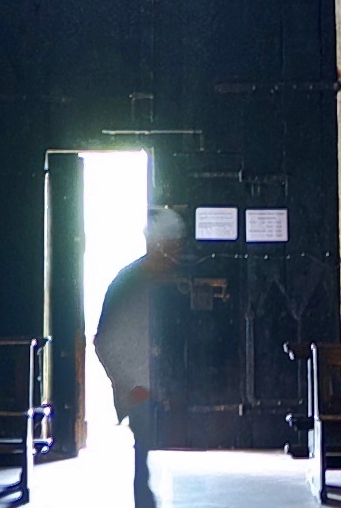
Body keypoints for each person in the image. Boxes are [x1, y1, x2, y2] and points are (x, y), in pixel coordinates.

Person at [91, 206, 190, 508]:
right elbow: (105, 340)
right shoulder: (127, 282)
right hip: (141, 383)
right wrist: (130, 384)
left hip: (171, 382)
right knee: (143, 452)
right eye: (170, 242)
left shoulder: (180, 280)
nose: (174, 249)